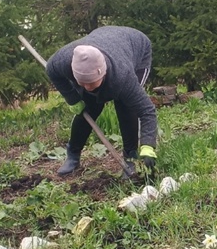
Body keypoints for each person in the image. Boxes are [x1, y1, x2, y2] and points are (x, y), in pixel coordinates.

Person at [46, 26, 158, 178]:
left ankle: (130, 157)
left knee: (126, 107)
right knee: (89, 107)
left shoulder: (123, 77)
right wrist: (72, 99)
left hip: (136, 49)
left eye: (92, 83)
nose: (88, 87)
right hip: (104, 39)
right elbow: (51, 71)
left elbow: (147, 111)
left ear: (103, 72)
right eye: (83, 83)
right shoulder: (64, 60)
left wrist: (148, 146)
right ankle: (73, 154)